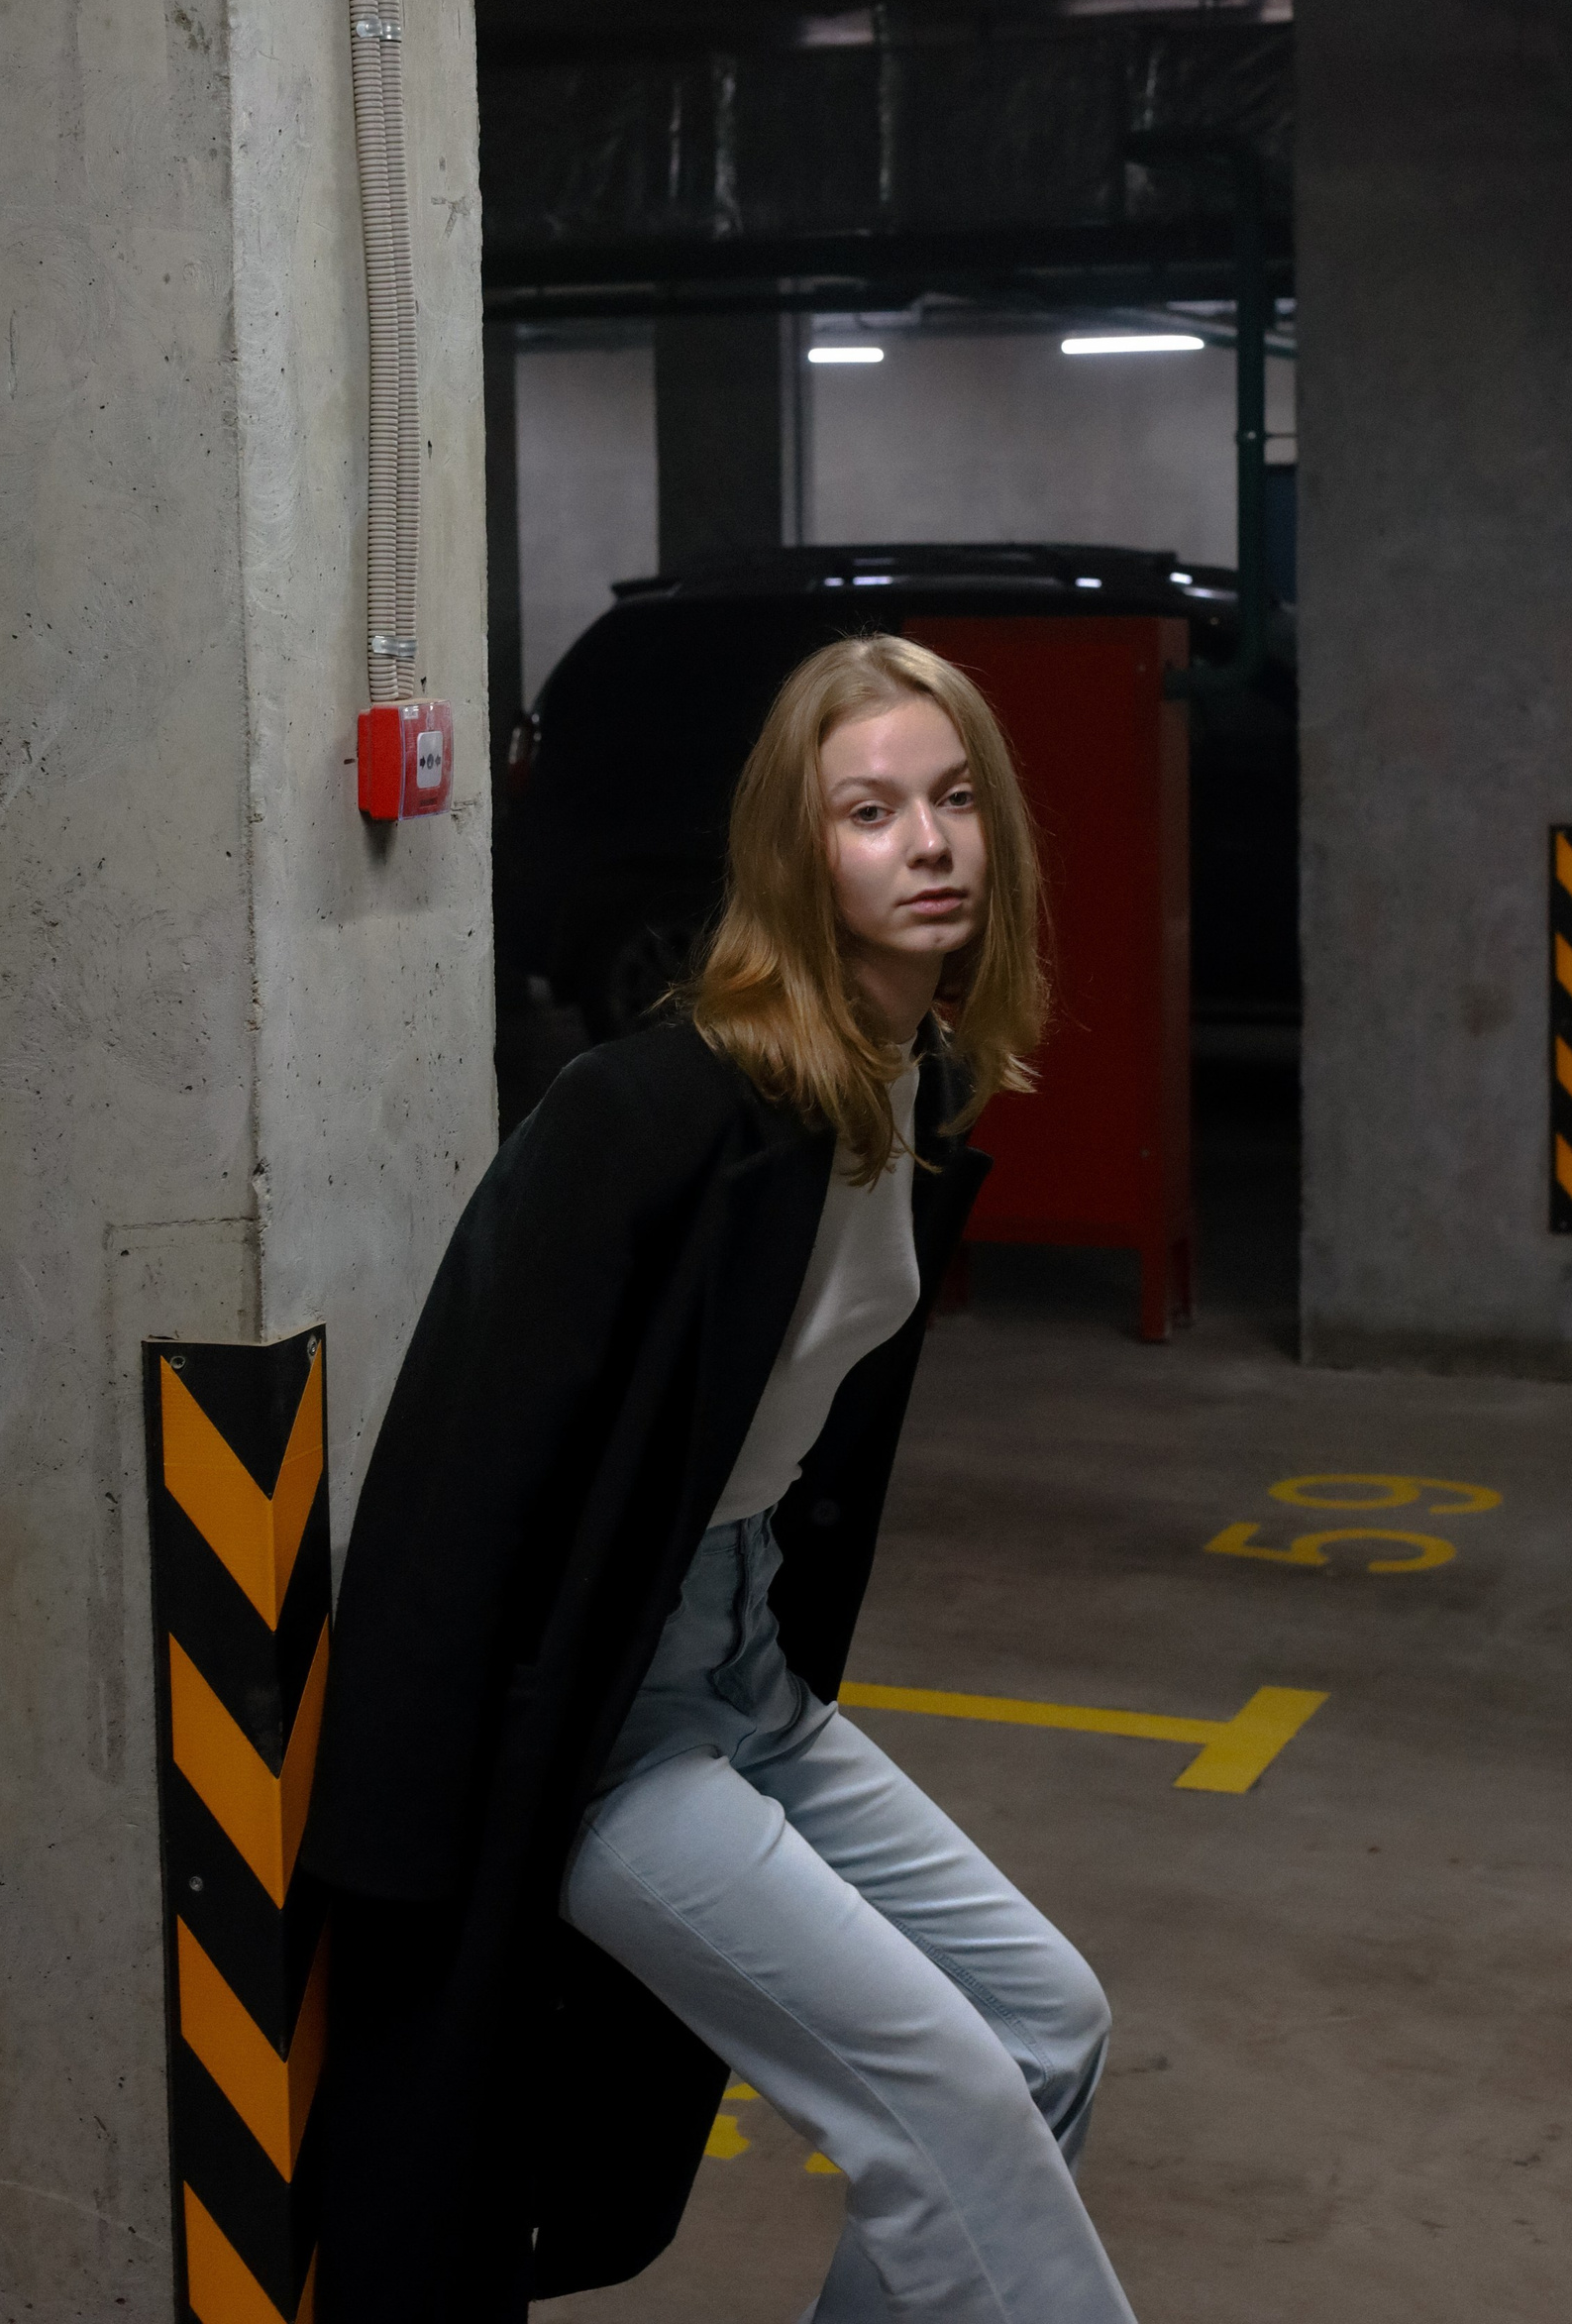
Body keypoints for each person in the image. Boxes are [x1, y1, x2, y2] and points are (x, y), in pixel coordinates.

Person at [304, 634, 1138, 2324]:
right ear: (792, 851)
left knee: (1048, 2026)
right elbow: (453, 1480)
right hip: (604, 1721)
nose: (928, 844)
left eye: (956, 800)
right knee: (947, 2107)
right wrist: (386, 1860)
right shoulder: (647, 1114)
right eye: (870, 811)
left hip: (750, 1674)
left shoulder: (912, 1087)